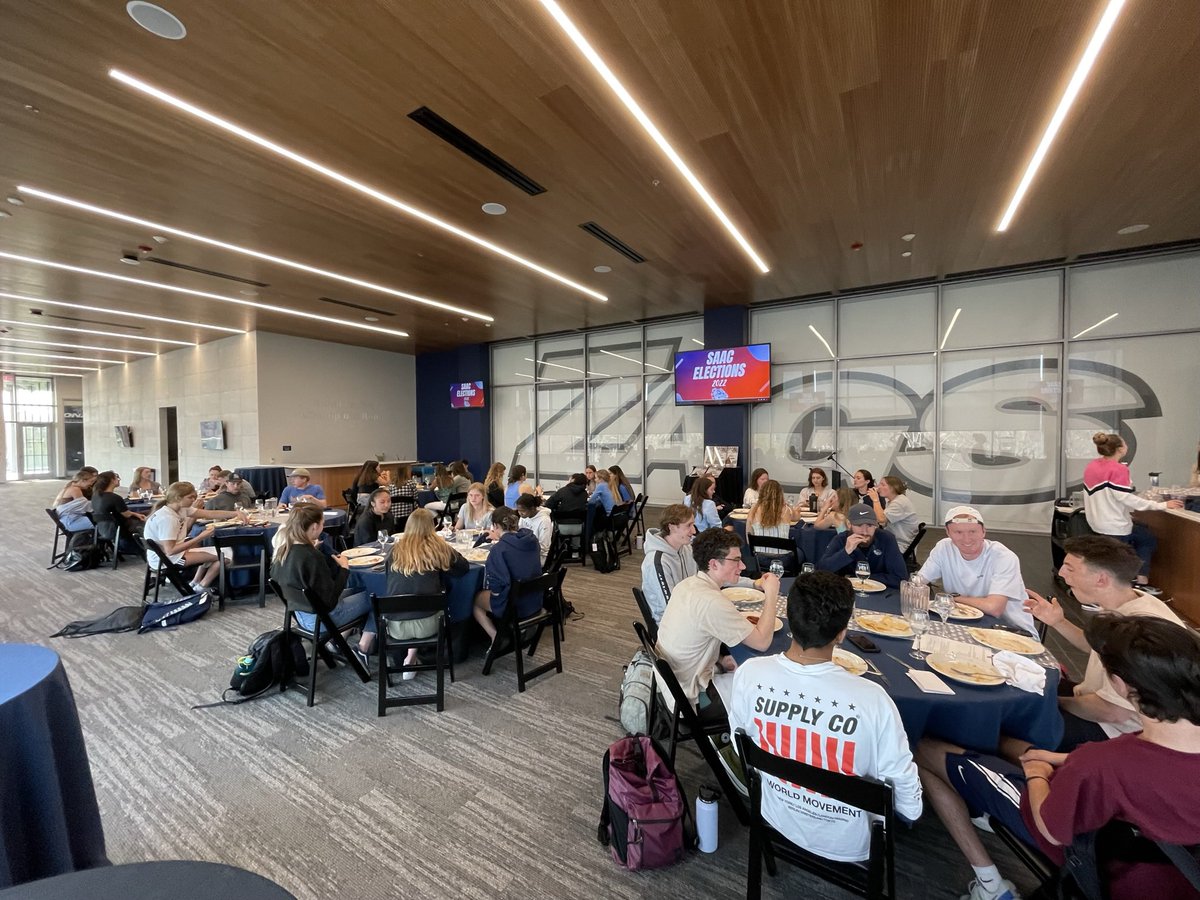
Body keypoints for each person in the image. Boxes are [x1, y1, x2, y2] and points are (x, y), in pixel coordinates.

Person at [916, 615, 1200, 900]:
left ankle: (991, 885)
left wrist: (1037, 772)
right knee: (1009, 743)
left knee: (924, 748)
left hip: (1093, 858)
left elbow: (1052, 830)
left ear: (1120, 684)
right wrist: (1061, 759)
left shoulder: (1102, 762)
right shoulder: (1117, 755)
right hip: (1180, 876)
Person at [729, 571, 923, 862]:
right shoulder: (874, 701)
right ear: (842, 632)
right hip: (852, 842)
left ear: (790, 621)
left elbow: (738, 743)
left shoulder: (749, 674)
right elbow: (910, 807)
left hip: (775, 812)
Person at [1010, 536, 1185, 754]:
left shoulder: (1138, 629)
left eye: (1070, 569)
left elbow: (1113, 712)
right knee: (1012, 684)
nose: (1062, 574)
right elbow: (1095, 646)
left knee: (1007, 723)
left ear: (1101, 579)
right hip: (1094, 700)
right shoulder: (1127, 601)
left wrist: (1053, 702)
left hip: (1117, 732)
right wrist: (1058, 621)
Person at [655, 528, 781, 709]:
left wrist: (720, 659)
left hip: (671, 681)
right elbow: (762, 642)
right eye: (736, 561)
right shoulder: (712, 601)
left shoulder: (687, 585)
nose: (743, 566)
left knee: (738, 665)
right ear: (714, 564)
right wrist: (771, 595)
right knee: (766, 690)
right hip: (690, 697)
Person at [271, 503, 374, 670]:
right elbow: (330, 601)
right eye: (322, 523)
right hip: (322, 618)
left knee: (358, 591)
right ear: (314, 527)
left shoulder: (284, 550)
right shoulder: (312, 556)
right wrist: (343, 569)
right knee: (375, 596)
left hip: (301, 614)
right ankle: (363, 649)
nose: (323, 526)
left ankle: (338, 640)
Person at [916, 506, 1037, 636]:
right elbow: (917, 583)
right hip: (967, 625)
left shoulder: (1003, 557)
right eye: (958, 532)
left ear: (983, 532)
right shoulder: (943, 548)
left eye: (972, 531)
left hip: (1012, 632)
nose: (967, 539)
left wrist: (953, 598)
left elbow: (994, 608)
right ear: (948, 532)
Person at [1083, 432, 1182, 586]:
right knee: (1119, 562)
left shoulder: (1092, 466)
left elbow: (1112, 496)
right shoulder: (1118, 469)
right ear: (1121, 449)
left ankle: (1140, 579)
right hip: (1114, 526)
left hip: (1098, 523)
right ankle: (1135, 582)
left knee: (1144, 537)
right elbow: (1126, 498)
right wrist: (1162, 505)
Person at [642, 504, 768, 624]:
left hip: (692, 610)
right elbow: (670, 608)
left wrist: (753, 583)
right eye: (689, 525)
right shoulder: (657, 562)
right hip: (671, 624)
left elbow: (716, 574)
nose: (693, 530)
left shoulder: (686, 549)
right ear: (672, 527)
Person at [382, 508, 469, 678]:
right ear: (432, 527)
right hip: (429, 623)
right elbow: (463, 568)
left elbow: (390, 581)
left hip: (395, 627)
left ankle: (410, 656)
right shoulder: (438, 548)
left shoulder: (394, 551)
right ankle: (412, 656)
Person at [143, 482, 238, 594]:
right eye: (190, 497)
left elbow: (210, 514)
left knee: (223, 551)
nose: (193, 500)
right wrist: (200, 537)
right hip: (166, 560)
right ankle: (201, 587)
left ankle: (195, 582)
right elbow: (170, 551)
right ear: (178, 498)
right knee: (224, 557)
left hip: (164, 556)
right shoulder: (168, 519)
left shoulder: (179, 509)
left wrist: (235, 513)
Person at [472, 507, 543, 643]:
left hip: (515, 606)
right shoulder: (531, 539)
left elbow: (496, 589)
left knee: (474, 599)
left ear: (496, 526)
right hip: (535, 599)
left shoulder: (499, 550)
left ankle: (495, 636)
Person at [817, 504, 908, 589]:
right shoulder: (840, 540)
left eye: (869, 525)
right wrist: (845, 552)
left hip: (881, 595)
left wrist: (858, 578)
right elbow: (820, 572)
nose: (865, 532)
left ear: (876, 526)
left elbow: (900, 578)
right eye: (859, 525)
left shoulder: (886, 539)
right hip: (848, 594)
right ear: (849, 525)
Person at [746, 479, 797, 561]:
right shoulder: (786, 510)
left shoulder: (753, 511)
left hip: (759, 559)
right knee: (801, 552)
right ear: (780, 494)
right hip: (782, 559)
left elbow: (749, 541)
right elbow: (797, 517)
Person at [91, 470, 145, 545]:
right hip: (118, 529)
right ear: (112, 480)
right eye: (117, 478)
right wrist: (136, 514)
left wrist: (135, 514)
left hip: (102, 529)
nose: (119, 480)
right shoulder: (115, 498)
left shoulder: (96, 496)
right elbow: (127, 514)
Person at [873, 475, 920, 550]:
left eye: (883, 484)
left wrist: (875, 499)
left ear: (893, 488)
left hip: (900, 545)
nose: (878, 487)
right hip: (895, 540)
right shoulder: (893, 501)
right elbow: (883, 522)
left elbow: (881, 519)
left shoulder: (899, 503)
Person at [515, 493, 553, 565]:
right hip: (526, 550)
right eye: (518, 510)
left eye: (522, 511)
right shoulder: (524, 517)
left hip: (539, 556)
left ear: (532, 509)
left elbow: (544, 546)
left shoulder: (544, 520)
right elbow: (519, 533)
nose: (520, 513)